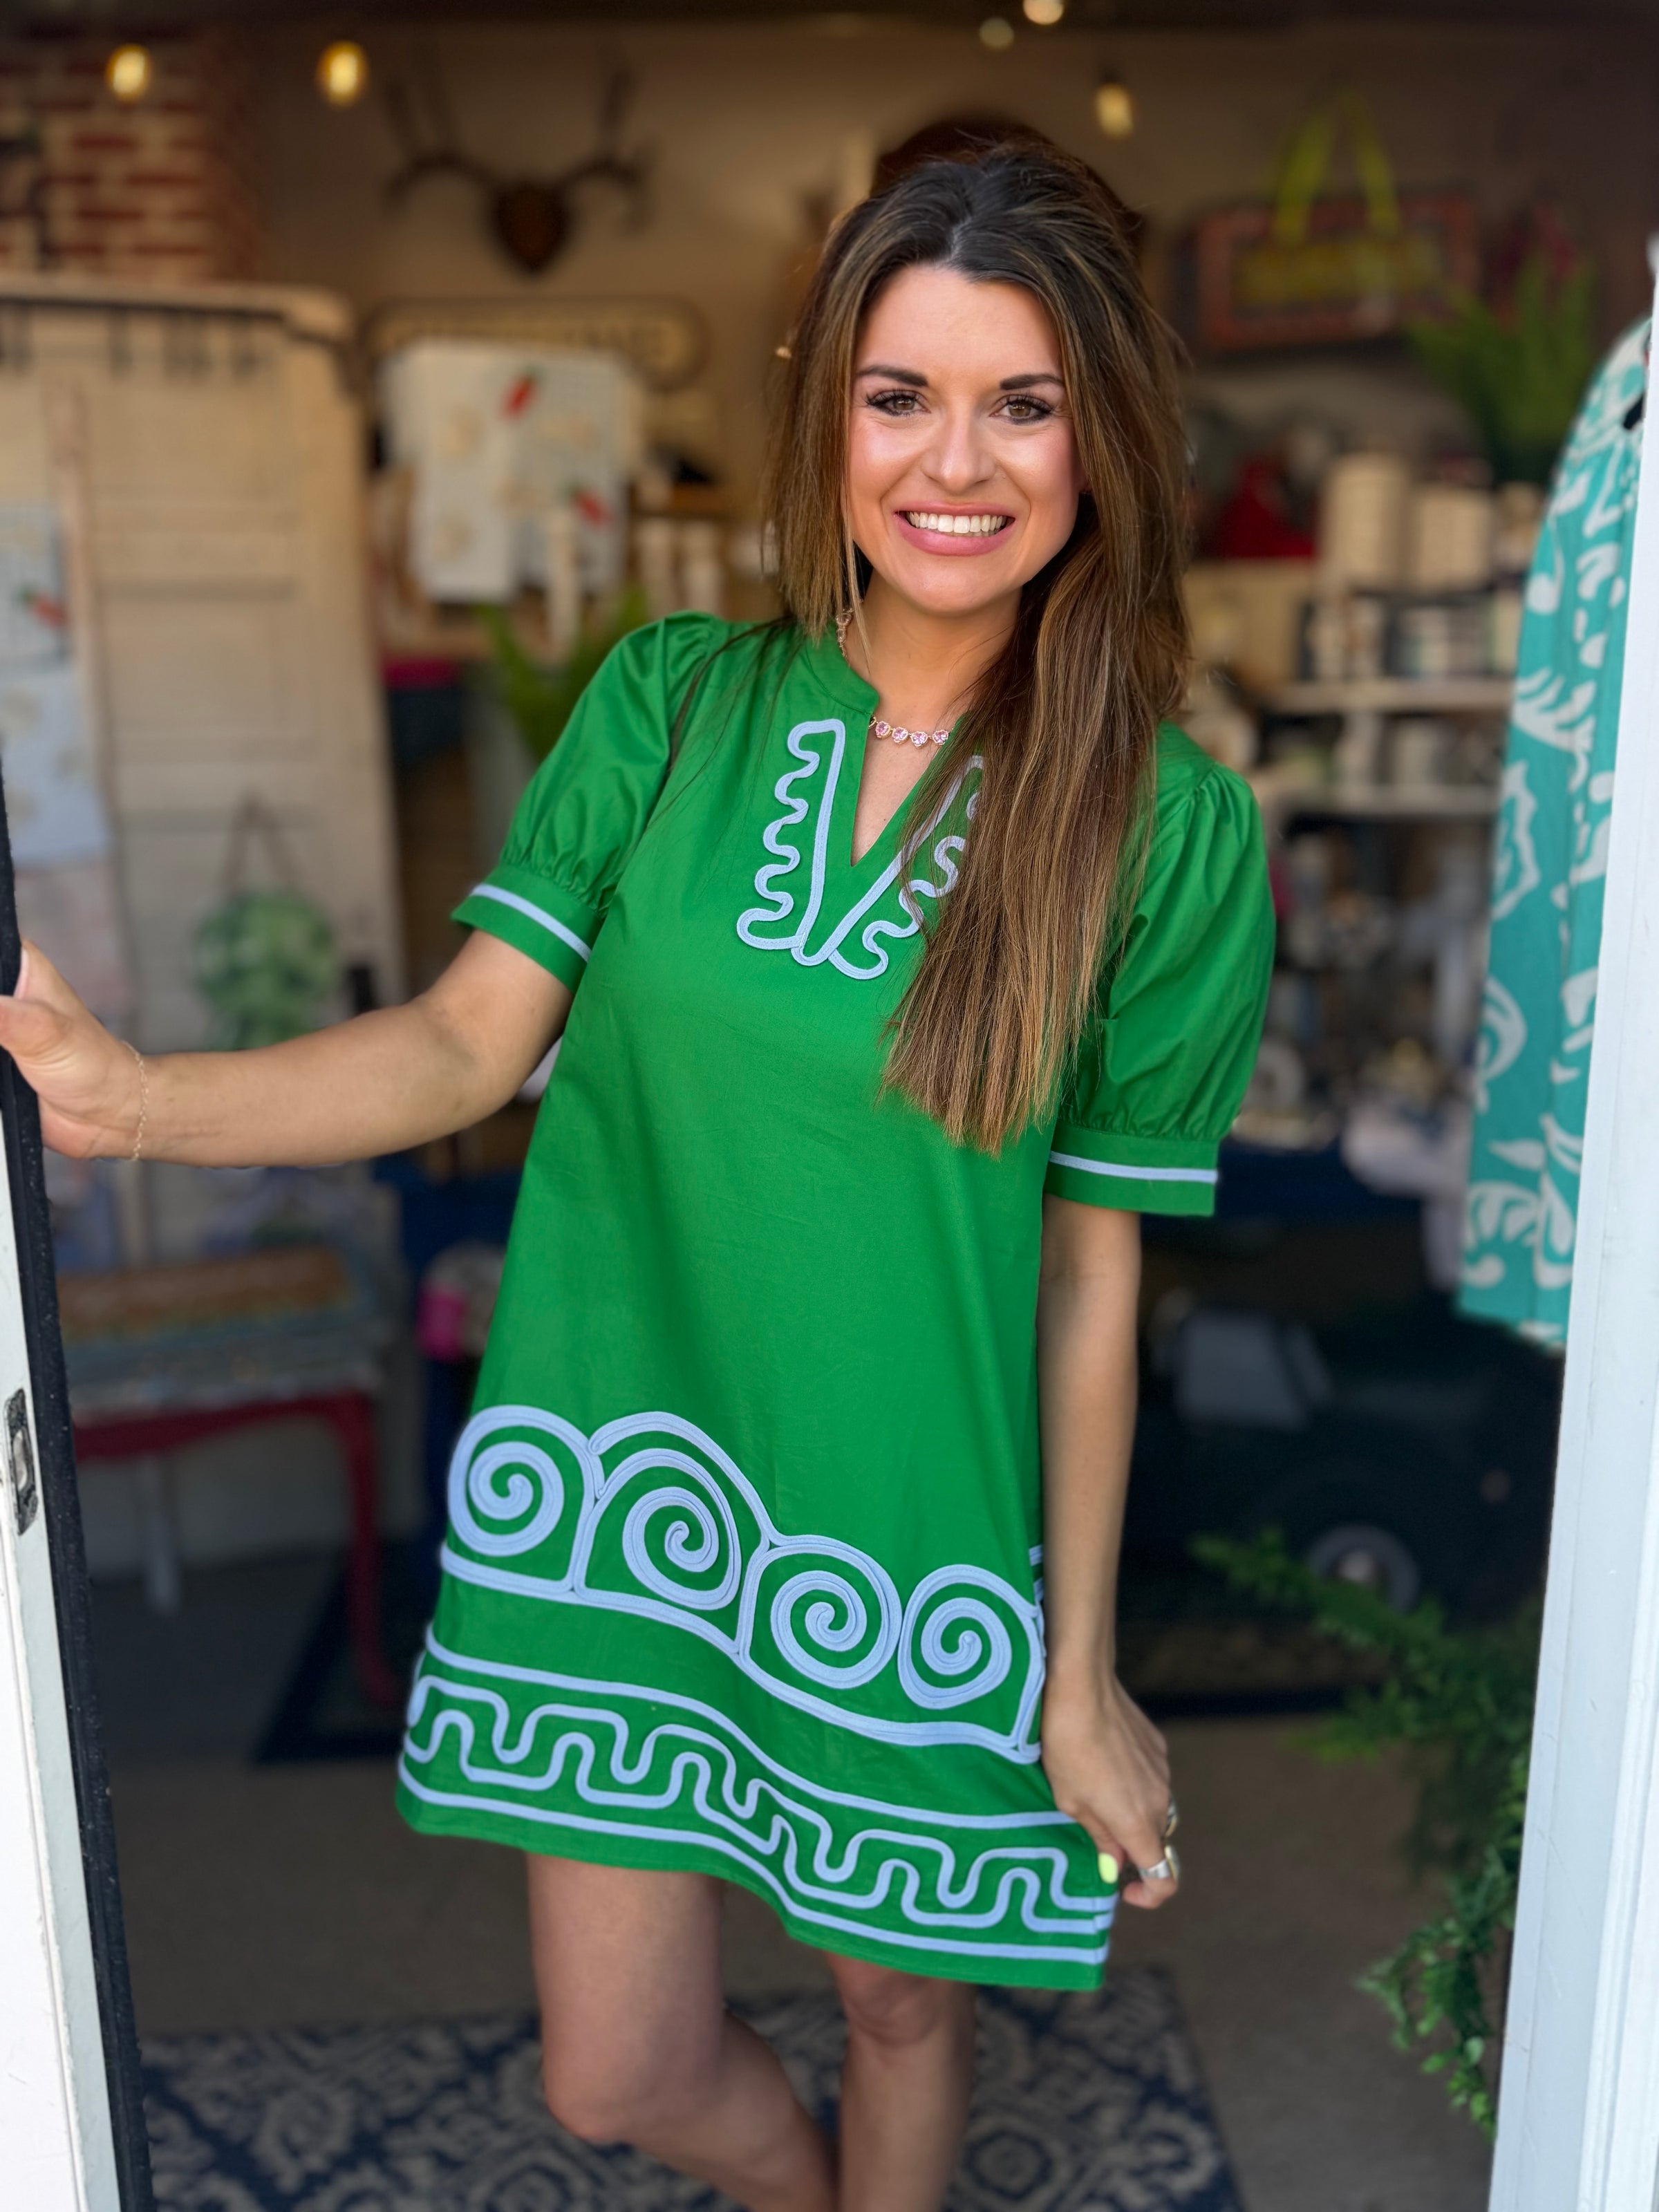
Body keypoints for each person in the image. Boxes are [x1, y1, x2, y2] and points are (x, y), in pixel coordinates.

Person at [0, 142, 1273, 2212]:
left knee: (899, 2009)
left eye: (1023, 404)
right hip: (620, 1502)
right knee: (618, 2074)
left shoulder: (1168, 829)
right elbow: (458, 1046)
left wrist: (1080, 1671)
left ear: (1101, 438)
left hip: (915, 1536)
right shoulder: (672, 705)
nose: (956, 463)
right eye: (901, 396)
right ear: (831, 417)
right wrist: (129, 1099)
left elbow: (1088, 1280)